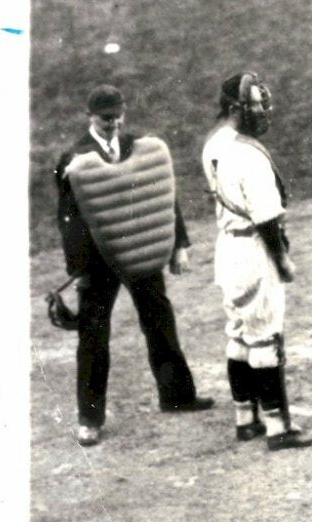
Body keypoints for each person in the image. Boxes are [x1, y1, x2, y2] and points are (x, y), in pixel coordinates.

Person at [53, 84, 214, 446]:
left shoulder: (138, 148)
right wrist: (77, 265)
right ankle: (89, 418)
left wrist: (178, 244)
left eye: (117, 116)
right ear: (89, 116)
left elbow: (160, 196)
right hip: (98, 260)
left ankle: (177, 396)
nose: (113, 123)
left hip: (140, 249)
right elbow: (67, 218)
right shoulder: (72, 158)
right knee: (93, 336)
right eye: (105, 117)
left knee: (160, 320)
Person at [201, 72, 312, 451]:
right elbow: (267, 217)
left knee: (238, 332)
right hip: (253, 251)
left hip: (227, 248)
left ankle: (245, 418)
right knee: (266, 337)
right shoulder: (248, 156)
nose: (262, 111)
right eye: (255, 105)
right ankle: (278, 428)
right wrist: (281, 260)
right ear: (236, 107)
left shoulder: (215, 143)